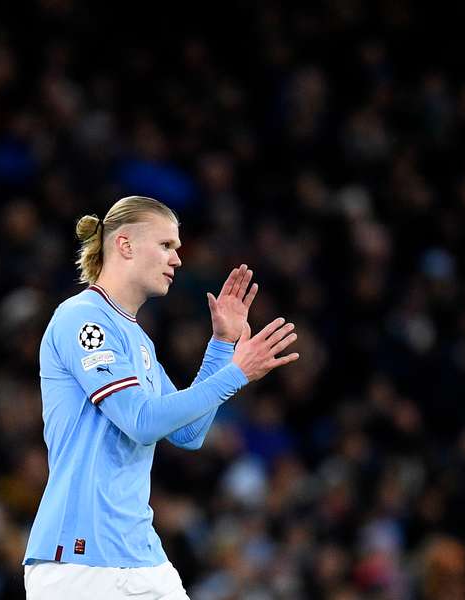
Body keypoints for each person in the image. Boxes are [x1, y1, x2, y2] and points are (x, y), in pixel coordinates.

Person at [22, 196, 299, 599]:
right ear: (125, 245)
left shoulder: (138, 339)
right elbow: (140, 420)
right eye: (167, 245)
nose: (178, 259)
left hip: (140, 556)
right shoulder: (82, 318)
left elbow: (189, 433)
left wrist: (222, 345)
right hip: (81, 561)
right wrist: (237, 373)